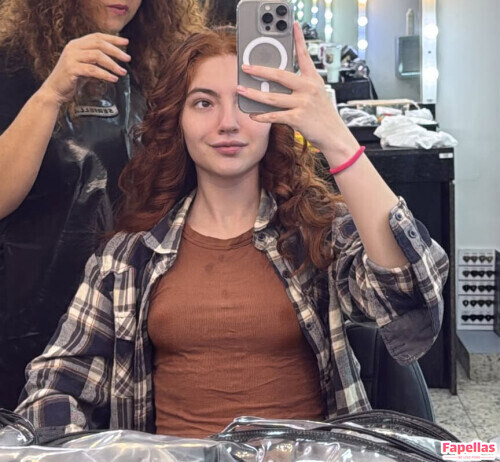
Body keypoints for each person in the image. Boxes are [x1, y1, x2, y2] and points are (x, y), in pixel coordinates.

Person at [16, 26, 449, 440]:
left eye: (247, 102)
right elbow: (56, 380)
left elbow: (410, 294)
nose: (228, 123)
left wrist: (336, 138)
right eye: (204, 103)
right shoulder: (128, 256)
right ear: (177, 120)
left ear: (274, 117)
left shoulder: (318, 235)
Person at [0, 0, 204, 410]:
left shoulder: (161, 62)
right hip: (28, 316)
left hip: (136, 311)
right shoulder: (12, 63)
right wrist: (51, 94)